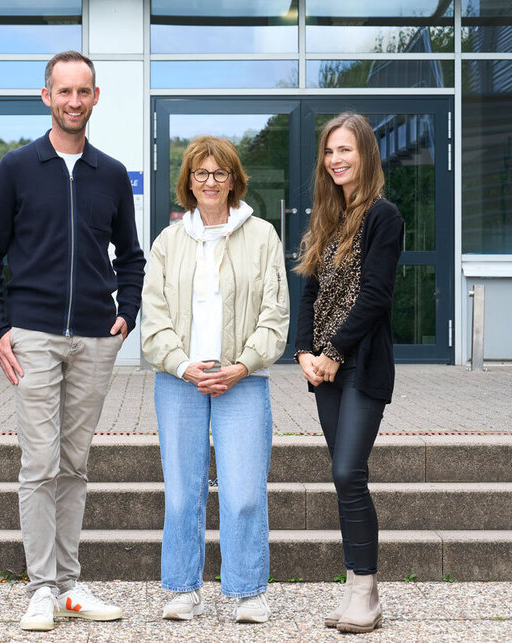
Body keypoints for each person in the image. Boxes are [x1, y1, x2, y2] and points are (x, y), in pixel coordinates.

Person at [0, 50, 146, 632]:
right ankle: (41, 588)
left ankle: (70, 584)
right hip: (34, 334)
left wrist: (127, 312)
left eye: (84, 92)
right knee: (40, 462)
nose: (74, 101)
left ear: (95, 97)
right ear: (46, 96)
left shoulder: (112, 174)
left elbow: (131, 256)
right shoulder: (17, 168)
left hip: (95, 340)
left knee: (75, 463)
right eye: (64, 92)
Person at [141, 136, 289, 624]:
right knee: (183, 492)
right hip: (180, 379)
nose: (210, 182)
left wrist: (242, 365)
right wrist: (182, 364)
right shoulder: (168, 241)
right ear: (188, 182)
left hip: (242, 378)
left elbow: (275, 314)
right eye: (200, 174)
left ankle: (249, 591)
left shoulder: (263, 235)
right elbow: (154, 317)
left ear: (234, 180)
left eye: (219, 174)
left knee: (244, 490)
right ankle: (184, 588)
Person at [293, 112, 404, 634]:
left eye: (346, 150)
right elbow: (310, 294)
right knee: (344, 480)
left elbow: (376, 296)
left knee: (347, 473)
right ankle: (360, 586)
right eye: (329, 152)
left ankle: (365, 589)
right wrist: (304, 353)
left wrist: (334, 351)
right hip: (324, 366)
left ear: (366, 155)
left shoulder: (384, 217)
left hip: (360, 364)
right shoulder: (326, 219)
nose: (336, 160)